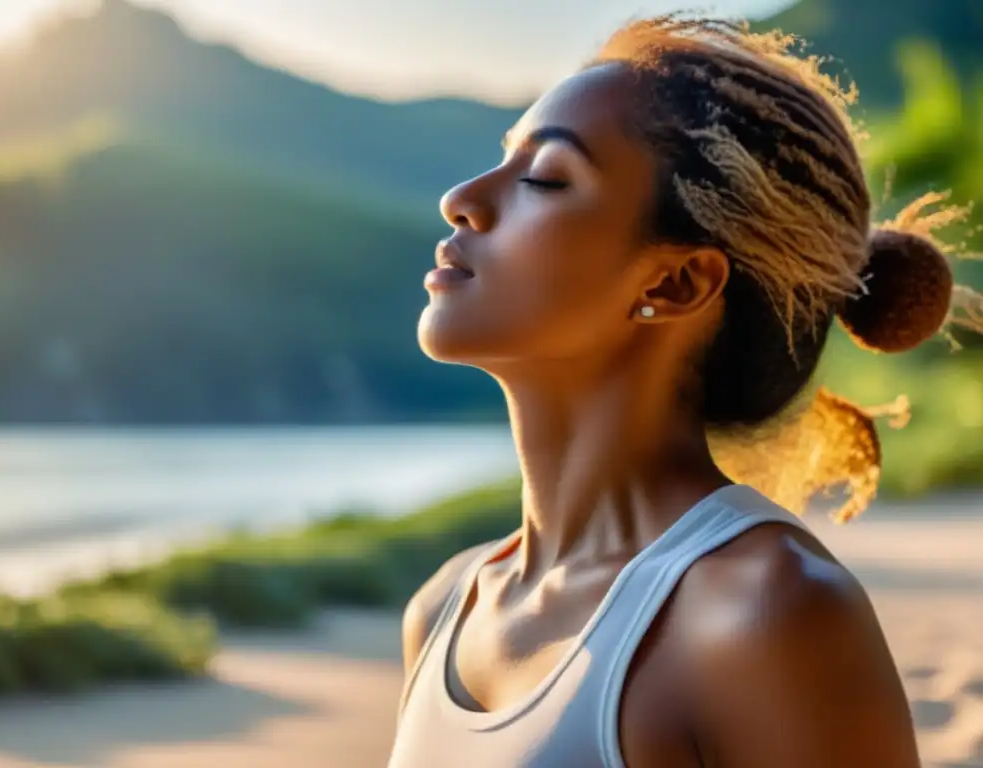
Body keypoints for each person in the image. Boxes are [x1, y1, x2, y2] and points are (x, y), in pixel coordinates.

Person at [387, 16, 982, 768]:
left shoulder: (768, 612)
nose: (462, 198)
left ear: (675, 282)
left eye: (544, 178)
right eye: (504, 160)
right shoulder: (445, 607)